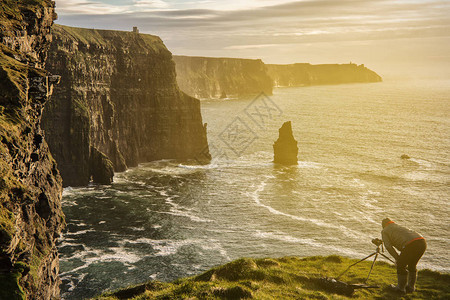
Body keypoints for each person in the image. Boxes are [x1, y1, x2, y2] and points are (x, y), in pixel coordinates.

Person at [381, 218, 426, 293]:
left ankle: (400, 289)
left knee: (401, 265)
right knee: (412, 265)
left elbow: (388, 246)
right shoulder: (398, 226)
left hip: (411, 244)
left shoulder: (385, 230)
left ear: (383, 225)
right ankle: (411, 288)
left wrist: (397, 258)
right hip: (422, 242)